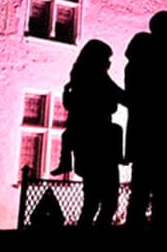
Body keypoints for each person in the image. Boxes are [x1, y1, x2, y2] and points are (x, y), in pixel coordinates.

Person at [124, 11, 167, 229]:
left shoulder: (141, 59)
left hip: (148, 135)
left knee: (143, 192)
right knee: (160, 193)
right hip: (162, 135)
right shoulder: (162, 56)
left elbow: (136, 100)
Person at [52, 39, 126, 228]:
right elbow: (121, 97)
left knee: (91, 201)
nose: (109, 64)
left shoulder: (78, 77)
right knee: (108, 203)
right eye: (107, 59)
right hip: (102, 146)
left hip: (84, 146)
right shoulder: (99, 79)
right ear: (98, 59)